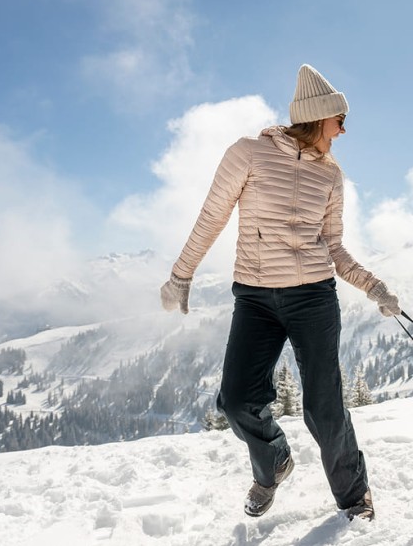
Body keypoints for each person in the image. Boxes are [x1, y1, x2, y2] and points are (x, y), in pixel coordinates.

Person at [159, 64, 399, 521]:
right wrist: (181, 275)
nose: (344, 131)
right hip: (255, 298)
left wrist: (374, 286)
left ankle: (353, 497)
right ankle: (273, 462)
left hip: (313, 298)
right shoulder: (247, 154)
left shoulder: (330, 176)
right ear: (316, 118)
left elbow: (335, 248)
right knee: (236, 400)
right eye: (339, 121)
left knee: (325, 408)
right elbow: (211, 216)